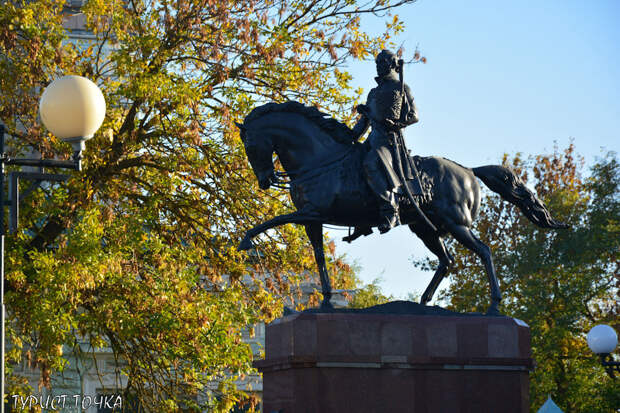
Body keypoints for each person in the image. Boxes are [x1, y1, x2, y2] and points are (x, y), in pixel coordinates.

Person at [347, 49, 423, 237]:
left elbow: (414, 116)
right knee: (350, 165)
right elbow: (363, 124)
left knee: (371, 163)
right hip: (372, 139)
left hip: (391, 142)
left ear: (391, 65)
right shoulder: (373, 92)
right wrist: (348, 137)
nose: (378, 67)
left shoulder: (401, 88)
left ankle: (391, 210)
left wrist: (398, 124)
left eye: (382, 64)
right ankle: (361, 217)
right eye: (377, 64)